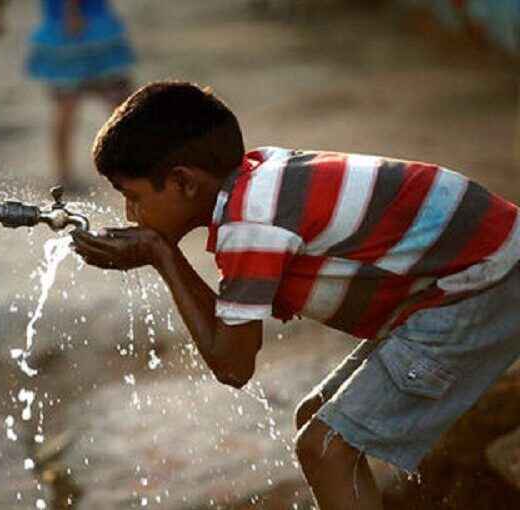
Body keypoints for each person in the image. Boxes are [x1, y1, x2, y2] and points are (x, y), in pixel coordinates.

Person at [71, 80, 520, 510]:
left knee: (326, 450)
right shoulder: (256, 181)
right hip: (473, 271)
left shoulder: (252, 222)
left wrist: (161, 255)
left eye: (133, 197)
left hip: (485, 282)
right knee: (315, 420)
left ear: (185, 182)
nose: (130, 213)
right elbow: (231, 340)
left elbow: (233, 364)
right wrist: (162, 251)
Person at [0, 0, 135, 190]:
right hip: (86, 29)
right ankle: (131, 165)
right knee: (119, 105)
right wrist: (72, 13)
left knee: (72, 106)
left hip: (66, 29)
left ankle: (65, 172)